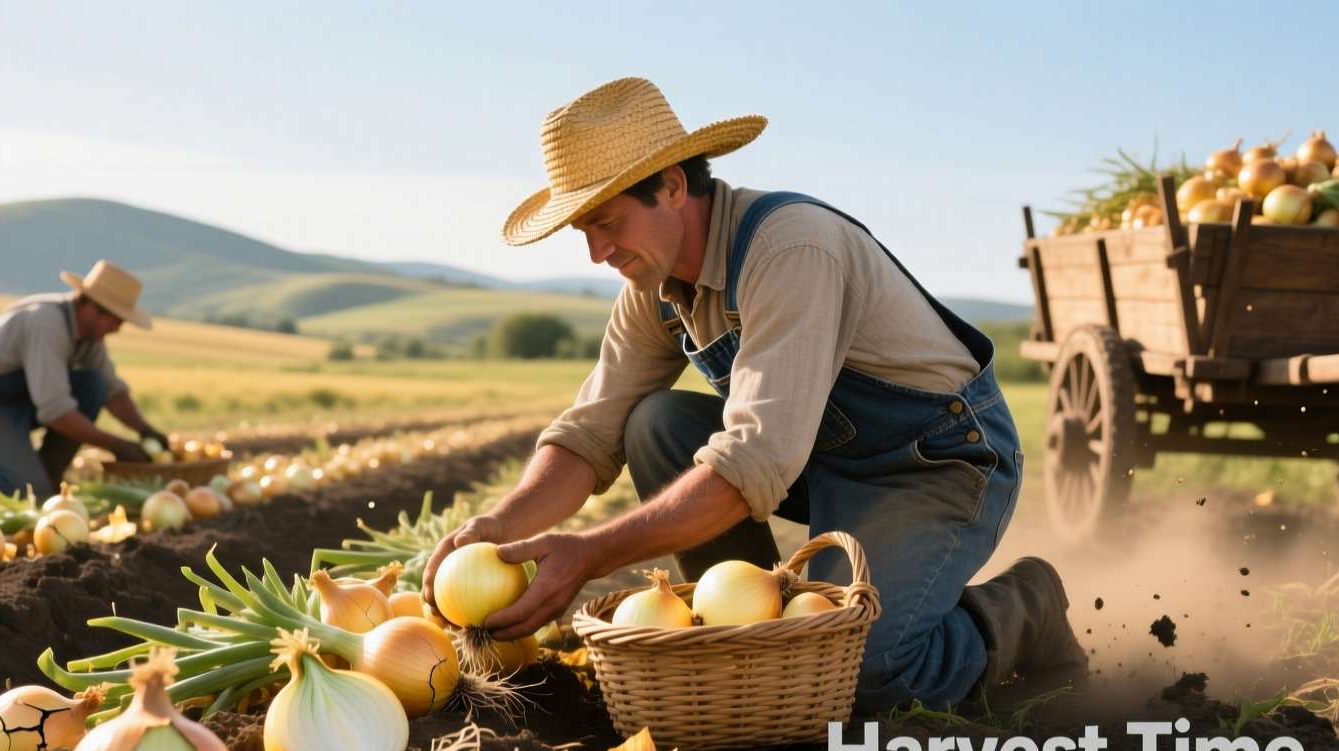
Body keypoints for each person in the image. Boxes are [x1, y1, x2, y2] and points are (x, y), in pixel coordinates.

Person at [421, 78, 1087, 710]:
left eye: (607, 222)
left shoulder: (791, 250)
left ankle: (1023, 607)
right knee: (654, 421)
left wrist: (590, 553)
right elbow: (589, 434)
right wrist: (501, 527)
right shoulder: (652, 288)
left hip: (930, 462)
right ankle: (748, 644)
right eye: (583, 231)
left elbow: (755, 459)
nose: (597, 251)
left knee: (863, 674)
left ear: (673, 186)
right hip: (822, 460)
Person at [0, 260, 167, 496]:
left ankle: (48, 475)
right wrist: (115, 444)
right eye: (115, 318)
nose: (118, 327)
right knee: (25, 490)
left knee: (93, 384)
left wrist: (145, 430)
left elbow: (113, 391)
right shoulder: (46, 325)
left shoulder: (89, 337)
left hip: (16, 402)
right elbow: (55, 411)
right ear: (90, 305)